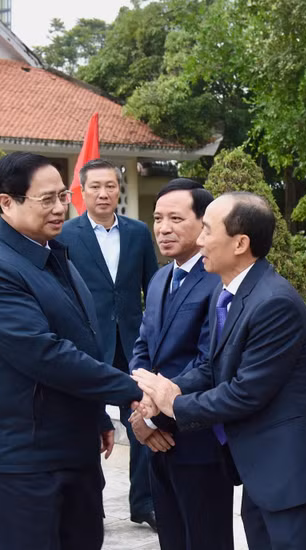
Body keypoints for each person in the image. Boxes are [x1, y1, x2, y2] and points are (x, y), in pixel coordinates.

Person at [133, 192, 306, 550]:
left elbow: (246, 391)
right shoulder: (230, 293)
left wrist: (173, 404)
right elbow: (214, 370)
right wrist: (159, 394)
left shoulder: (274, 303)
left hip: (290, 471)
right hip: (259, 469)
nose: (199, 241)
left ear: (240, 243)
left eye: (207, 231)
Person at [0, 152, 144, 550]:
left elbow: (82, 340)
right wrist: (135, 388)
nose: (61, 207)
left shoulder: (53, 253)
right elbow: (45, 354)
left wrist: (96, 413)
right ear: (7, 203)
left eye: (63, 195)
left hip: (72, 446)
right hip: (22, 458)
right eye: (47, 199)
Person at [128, 179, 234, 550]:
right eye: (158, 218)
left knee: (205, 540)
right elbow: (142, 349)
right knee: (171, 537)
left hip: (198, 438)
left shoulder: (217, 282)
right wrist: (139, 413)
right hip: (155, 441)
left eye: (176, 218)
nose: (163, 228)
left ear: (204, 224)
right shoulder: (160, 278)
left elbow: (209, 364)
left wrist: (154, 415)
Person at [56, 158, 159, 529]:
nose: (104, 193)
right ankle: (90, 504)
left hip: (134, 346)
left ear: (119, 189)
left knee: (144, 421)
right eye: (95, 186)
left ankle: (145, 503)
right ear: (82, 190)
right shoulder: (64, 236)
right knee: (86, 427)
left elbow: (155, 289)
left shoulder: (138, 233)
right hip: (86, 348)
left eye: (110, 186)